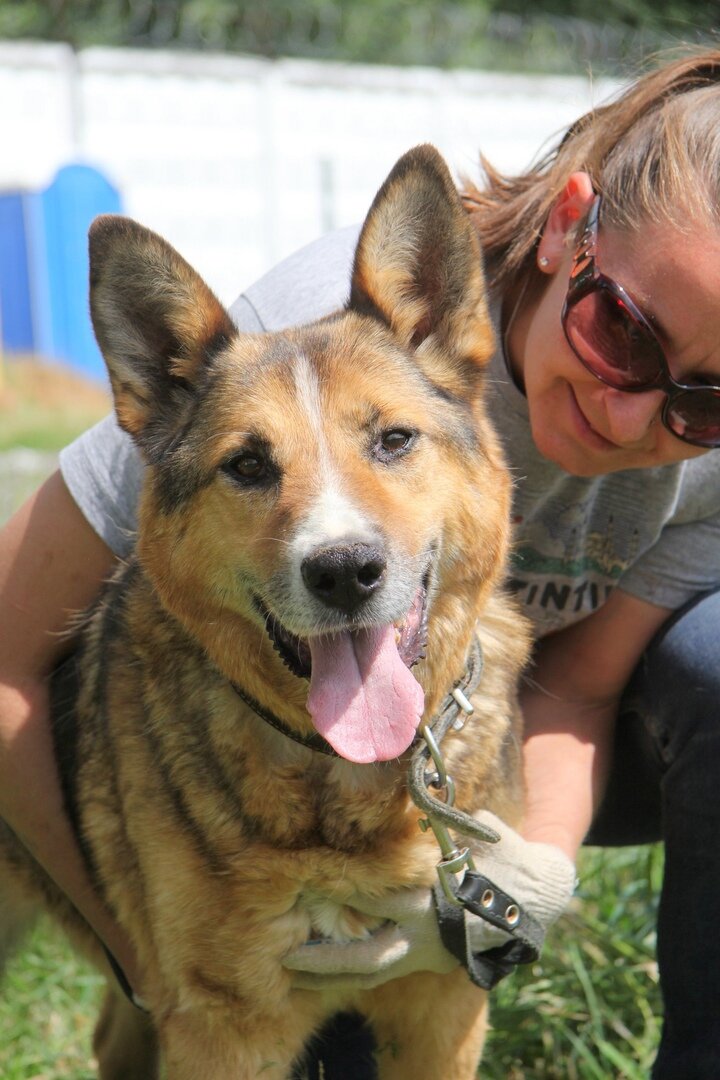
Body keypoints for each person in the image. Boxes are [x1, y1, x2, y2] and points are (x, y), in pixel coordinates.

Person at [2, 47, 720, 1079]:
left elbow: (584, 688)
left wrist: (533, 873)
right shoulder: (287, 335)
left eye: (705, 395)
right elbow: (4, 656)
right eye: (621, 331)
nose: (629, 409)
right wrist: (150, 963)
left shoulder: (711, 448)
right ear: (570, 233)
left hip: (489, 737)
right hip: (196, 761)